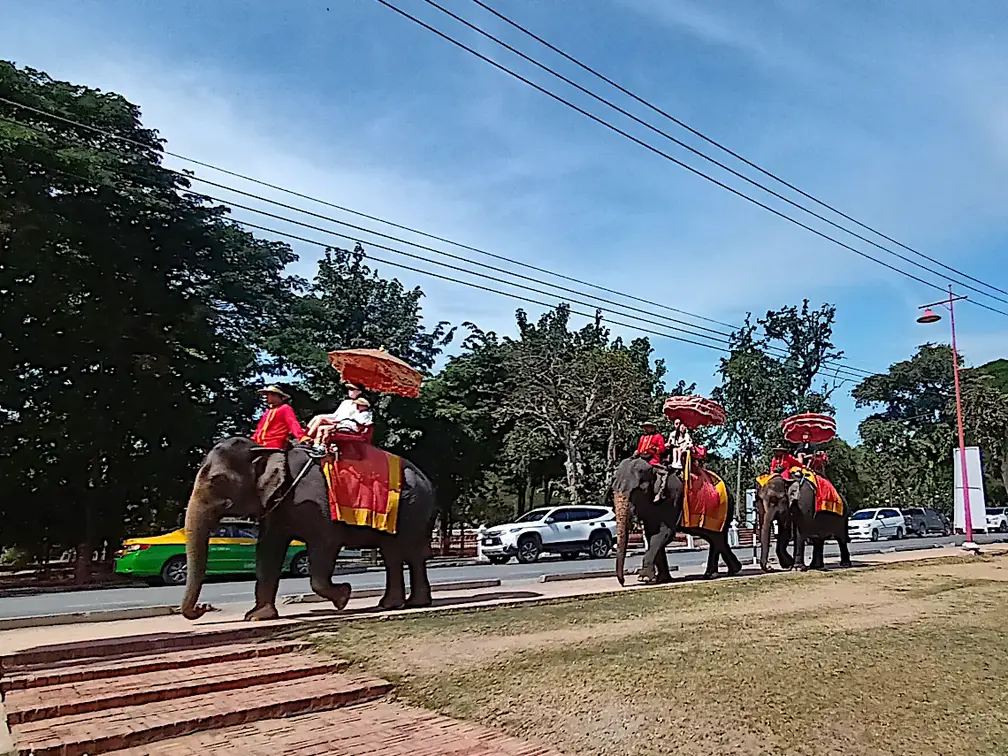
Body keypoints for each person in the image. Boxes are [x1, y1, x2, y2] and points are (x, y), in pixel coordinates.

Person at [251, 385, 304, 449]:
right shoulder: (268, 411)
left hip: (274, 445)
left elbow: (293, 424)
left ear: (276, 395)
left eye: (269, 395)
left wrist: (302, 438)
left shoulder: (285, 408)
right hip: (258, 444)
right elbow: (260, 428)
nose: (266, 397)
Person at [636, 421, 668, 503]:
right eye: (645, 427)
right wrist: (637, 452)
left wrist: (655, 449)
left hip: (653, 460)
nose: (645, 429)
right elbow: (639, 449)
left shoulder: (658, 437)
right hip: (640, 459)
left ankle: (659, 492)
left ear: (652, 428)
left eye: (647, 427)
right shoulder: (642, 437)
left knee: (662, 473)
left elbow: (662, 449)